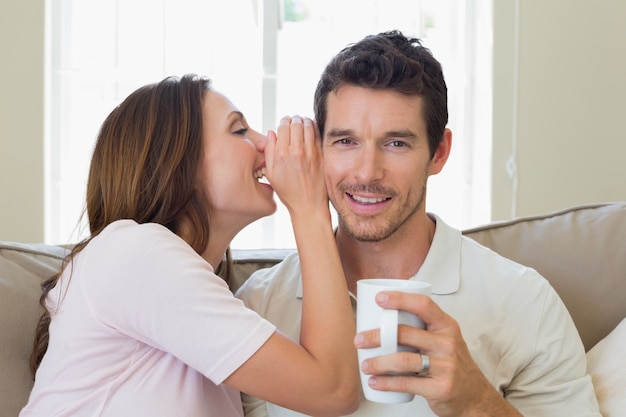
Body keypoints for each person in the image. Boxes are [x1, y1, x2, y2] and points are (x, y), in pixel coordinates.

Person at [236, 31, 602, 417]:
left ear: (439, 152)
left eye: (396, 143)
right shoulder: (259, 305)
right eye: (345, 142)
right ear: (319, 148)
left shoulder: (524, 301)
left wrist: (477, 403)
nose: (367, 172)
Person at [20, 74, 360, 417]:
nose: (265, 142)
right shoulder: (135, 252)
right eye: (239, 130)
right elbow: (333, 391)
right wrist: (309, 208)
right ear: (176, 160)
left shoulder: (208, 323)